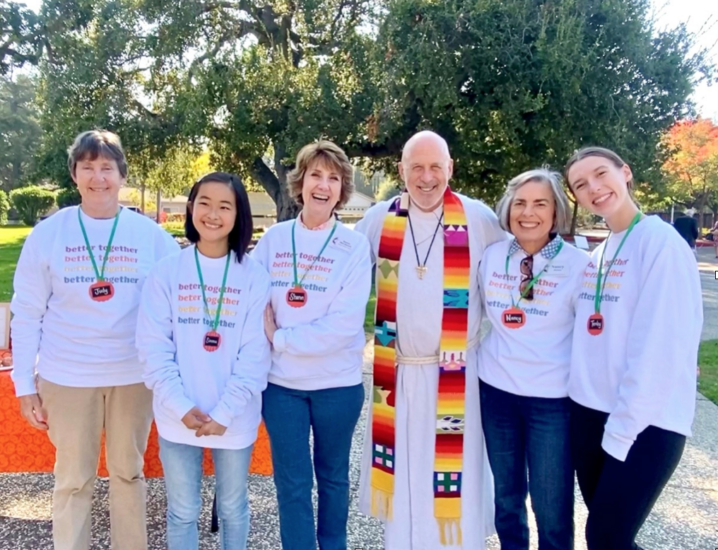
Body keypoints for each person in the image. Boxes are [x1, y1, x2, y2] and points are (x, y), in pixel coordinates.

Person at [10, 130, 179, 550]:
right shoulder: (48, 235)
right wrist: (24, 384)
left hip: (131, 376)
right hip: (66, 376)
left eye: (107, 167)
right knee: (72, 479)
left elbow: (178, 305)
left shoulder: (151, 237)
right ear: (74, 175)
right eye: (88, 167)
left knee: (128, 473)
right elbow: (27, 314)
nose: (98, 177)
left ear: (122, 175)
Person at [356, 130, 506, 550]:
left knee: (458, 480)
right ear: (401, 170)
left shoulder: (479, 219)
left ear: (450, 169)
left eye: (435, 167)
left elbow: (519, 269)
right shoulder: (378, 219)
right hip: (398, 374)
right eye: (416, 167)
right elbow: (336, 267)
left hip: (458, 376)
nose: (426, 177)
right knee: (404, 479)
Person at [564, 147, 703, 550]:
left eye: (600, 174)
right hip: (590, 415)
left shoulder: (661, 243)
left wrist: (622, 430)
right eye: (580, 184)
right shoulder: (599, 253)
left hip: (646, 423)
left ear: (625, 173)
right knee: (610, 538)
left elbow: (662, 346)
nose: (593, 187)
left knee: (606, 536)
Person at [137, 172, 271, 550]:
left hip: (235, 416)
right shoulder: (166, 273)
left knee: (232, 507)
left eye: (224, 206)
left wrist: (226, 412)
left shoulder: (254, 276)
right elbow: (152, 348)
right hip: (176, 414)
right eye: (204, 203)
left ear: (238, 214)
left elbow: (254, 355)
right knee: (182, 510)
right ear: (191, 207)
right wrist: (180, 405)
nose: (213, 214)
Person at [252, 140, 372, 550]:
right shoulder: (273, 240)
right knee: (292, 482)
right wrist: (272, 342)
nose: (323, 185)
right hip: (282, 387)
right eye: (316, 175)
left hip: (336, 386)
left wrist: (281, 338)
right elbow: (257, 306)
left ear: (342, 189)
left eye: (334, 178)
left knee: (334, 477)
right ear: (300, 182)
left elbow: (343, 324)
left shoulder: (354, 247)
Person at [478, 168, 588, 550]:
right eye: (520, 203)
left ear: (556, 212)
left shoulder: (580, 266)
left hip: (552, 401)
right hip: (496, 394)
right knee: (506, 501)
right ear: (508, 209)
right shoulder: (490, 257)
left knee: (551, 505)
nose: (529, 213)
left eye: (540, 203)